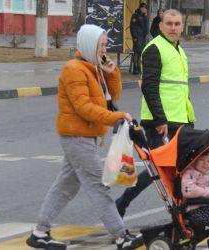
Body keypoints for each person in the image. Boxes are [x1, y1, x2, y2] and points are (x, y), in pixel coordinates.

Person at [26, 24, 141, 250]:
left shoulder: (93, 68)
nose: (105, 49)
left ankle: (40, 232)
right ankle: (121, 236)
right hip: (77, 136)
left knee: (65, 186)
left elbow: (112, 96)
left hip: (85, 135)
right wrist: (115, 117)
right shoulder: (74, 69)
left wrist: (112, 72)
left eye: (106, 44)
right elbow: (83, 107)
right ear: (89, 44)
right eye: (101, 45)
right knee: (99, 187)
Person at [115, 9, 196, 218]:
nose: (173, 28)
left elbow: (180, 89)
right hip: (159, 122)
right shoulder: (154, 49)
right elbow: (149, 87)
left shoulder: (179, 50)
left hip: (180, 120)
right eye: (169, 23)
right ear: (160, 26)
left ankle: (182, 211)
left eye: (177, 24)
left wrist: (189, 120)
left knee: (178, 168)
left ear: (182, 27)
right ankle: (122, 203)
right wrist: (160, 120)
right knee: (158, 169)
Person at [130, 2, 148, 74]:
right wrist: (134, 36)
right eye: (143, 8)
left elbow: (146, 28)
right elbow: (132, 27)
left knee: (141, 53)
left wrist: (145, 34)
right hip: (137, 37)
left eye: (145, 8)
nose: (144, 9)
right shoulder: (135, 15)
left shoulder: (145, 16)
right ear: (140, 8)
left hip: (143, 37)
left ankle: (139, 67)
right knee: (136, 52)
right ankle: (135, 68)